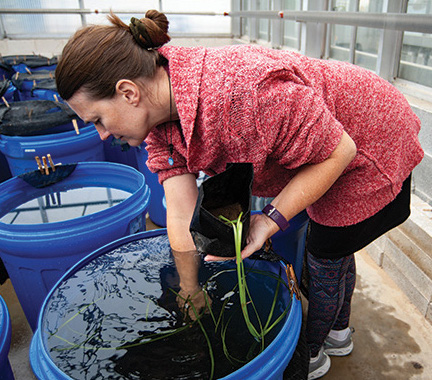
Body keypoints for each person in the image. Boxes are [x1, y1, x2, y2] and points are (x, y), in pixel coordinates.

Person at [55, 10, 424, 379]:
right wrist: (190, 289)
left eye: (98, 120)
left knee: (325, 253)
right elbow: (182, 216)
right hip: (329, 139)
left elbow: (338, 152)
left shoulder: (244, 95)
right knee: (331, 247)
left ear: (128, 92)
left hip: (370, 140)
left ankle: (313, 352)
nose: (101, 135)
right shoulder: (159, 117)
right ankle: (339, 330)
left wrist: (271, 219)